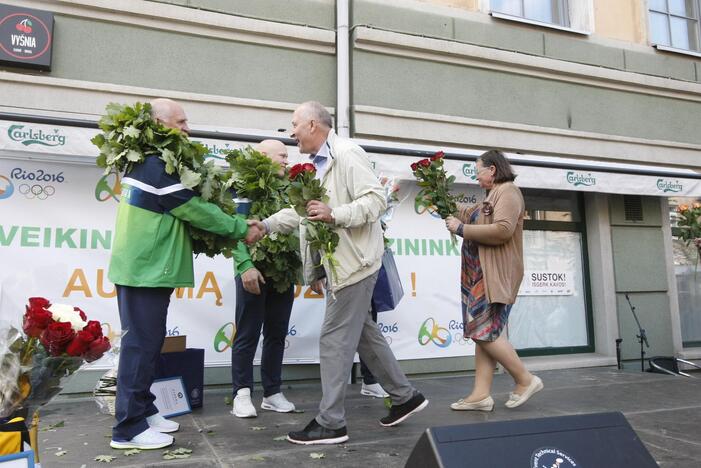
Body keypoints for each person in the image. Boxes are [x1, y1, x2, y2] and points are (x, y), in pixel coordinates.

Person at [249, 101, 427, 445]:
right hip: (342, 265)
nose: (292, 133)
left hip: (354, 265)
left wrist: (336, 214)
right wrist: (267, 225)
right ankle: (406, 397)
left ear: (313, 125)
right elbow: (303, 213)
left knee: (333, 340)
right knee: (364, 334)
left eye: (295, 125)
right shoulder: (318, 164)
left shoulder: (347, 153)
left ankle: (331, 422)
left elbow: (375, 201)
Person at [109, 98, 263, 450]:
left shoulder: (153, 163)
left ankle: (144, 411)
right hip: (143, 270)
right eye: (180, 122)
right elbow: (196, 210)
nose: (187, 129)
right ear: (160, 125)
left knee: (149, 345)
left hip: (149, 270)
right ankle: (127, 428)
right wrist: (241, 227)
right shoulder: (153, 166)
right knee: (140, 347)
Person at [444, 149, 543, 413]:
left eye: (478, 172)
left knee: (481, 331)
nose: (476, 178)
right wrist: (441, 200)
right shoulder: (493, 195)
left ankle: (525, 379)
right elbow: (471, 213)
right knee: (484, 332)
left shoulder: (509, 192)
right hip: (479, 275)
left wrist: (461, 229)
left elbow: (502, 230)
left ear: (492, 170)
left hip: (495, 276)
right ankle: (480, 395)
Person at [230, 140, 298, 418]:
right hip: (253, 270)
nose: (286, 160)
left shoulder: (293, 186)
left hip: (283, 272)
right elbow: (234, 229)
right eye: (281, 155)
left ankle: (272, 392)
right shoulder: (243, 185)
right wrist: (245, 264)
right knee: (247, 333)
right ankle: (241, 394)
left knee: (277, 334)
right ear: (262, 157)